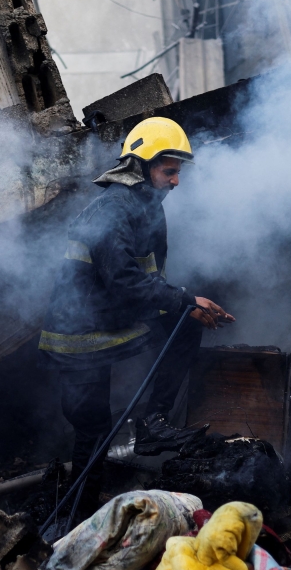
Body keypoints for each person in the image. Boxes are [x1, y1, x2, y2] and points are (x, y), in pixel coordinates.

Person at [39, 116, 235, 515]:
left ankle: (152, 425)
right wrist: (183, 298)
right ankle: (75, 523)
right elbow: (124, 282)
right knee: (92, 432)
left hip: (109, 318)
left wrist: (185, 304)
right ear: (141, 166)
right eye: (169, 171)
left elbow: (146, 283)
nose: (176, 181)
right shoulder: (114, 208)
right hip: (81, 336)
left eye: (178, 172)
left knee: (184, 323)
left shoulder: (143, 206)